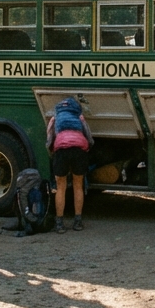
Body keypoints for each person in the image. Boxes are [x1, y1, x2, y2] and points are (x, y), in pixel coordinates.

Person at [46, 96, 95, 233]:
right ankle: (77, 222)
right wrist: (86, 148)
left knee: (60, 187)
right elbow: (89, 137)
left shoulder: (55, 118)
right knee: (78, 185)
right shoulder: (79, 118)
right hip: (79, 150)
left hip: (61, 151)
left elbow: (49, 139)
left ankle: (60, 223)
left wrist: (54, 151)